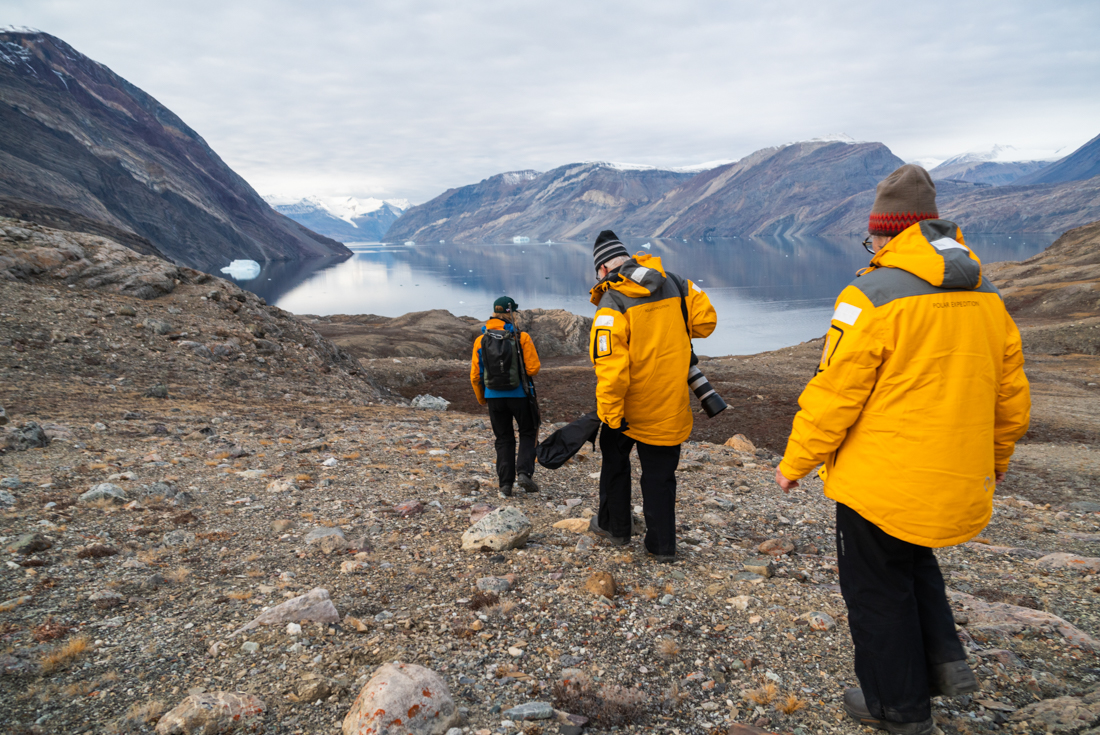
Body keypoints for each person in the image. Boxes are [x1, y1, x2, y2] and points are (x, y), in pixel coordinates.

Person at [774, 165, 1031, 735]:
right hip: (950, 472)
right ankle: (945, 666)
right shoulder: (986, 295)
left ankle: (897, 707)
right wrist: (996, 459)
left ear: (887, 235)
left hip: (879, 479)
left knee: (875, 590)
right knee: (916, 563)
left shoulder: (869, 296)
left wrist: (796, 463)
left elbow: (834, 394)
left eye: (873, 239)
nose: (872, 248)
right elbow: (1011, 394)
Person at [586, 230, 716, 561]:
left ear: (602, 269)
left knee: (615, 462)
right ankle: (662, 547)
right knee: (660, 478)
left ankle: (616, 528)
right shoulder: (674, 282)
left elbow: (611, 370)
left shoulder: (611, 303)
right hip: (670, 405)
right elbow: (705, 322)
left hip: (630, 409)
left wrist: (611, 414)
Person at [470, 296, 542, 498]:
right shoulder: (522, 337)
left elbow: (475, 375)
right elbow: (533, 368)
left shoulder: (480, 340)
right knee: (528, 432)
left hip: (494, 398)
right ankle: (524, 473)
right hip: (520, 395)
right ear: (511, 313)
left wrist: (483, 398)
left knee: (503, 439)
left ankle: (505, 484)